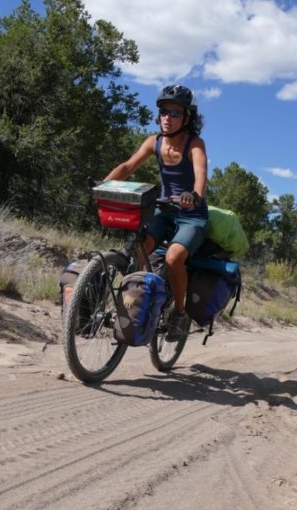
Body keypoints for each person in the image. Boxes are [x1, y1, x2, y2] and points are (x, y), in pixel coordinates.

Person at [103, 84, 208, 341]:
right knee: (139, 248)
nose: (167, 118)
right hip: (164, 210)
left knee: (173, 258)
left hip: (191, 215)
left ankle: (179, 315)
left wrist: (194, 195)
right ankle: (139, 299)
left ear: (187, 118)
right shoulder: (154, 142)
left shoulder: (194, 143)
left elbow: (201, 174)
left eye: (174, 113)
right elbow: (127, 166)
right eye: (163, 112)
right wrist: (102, 186)